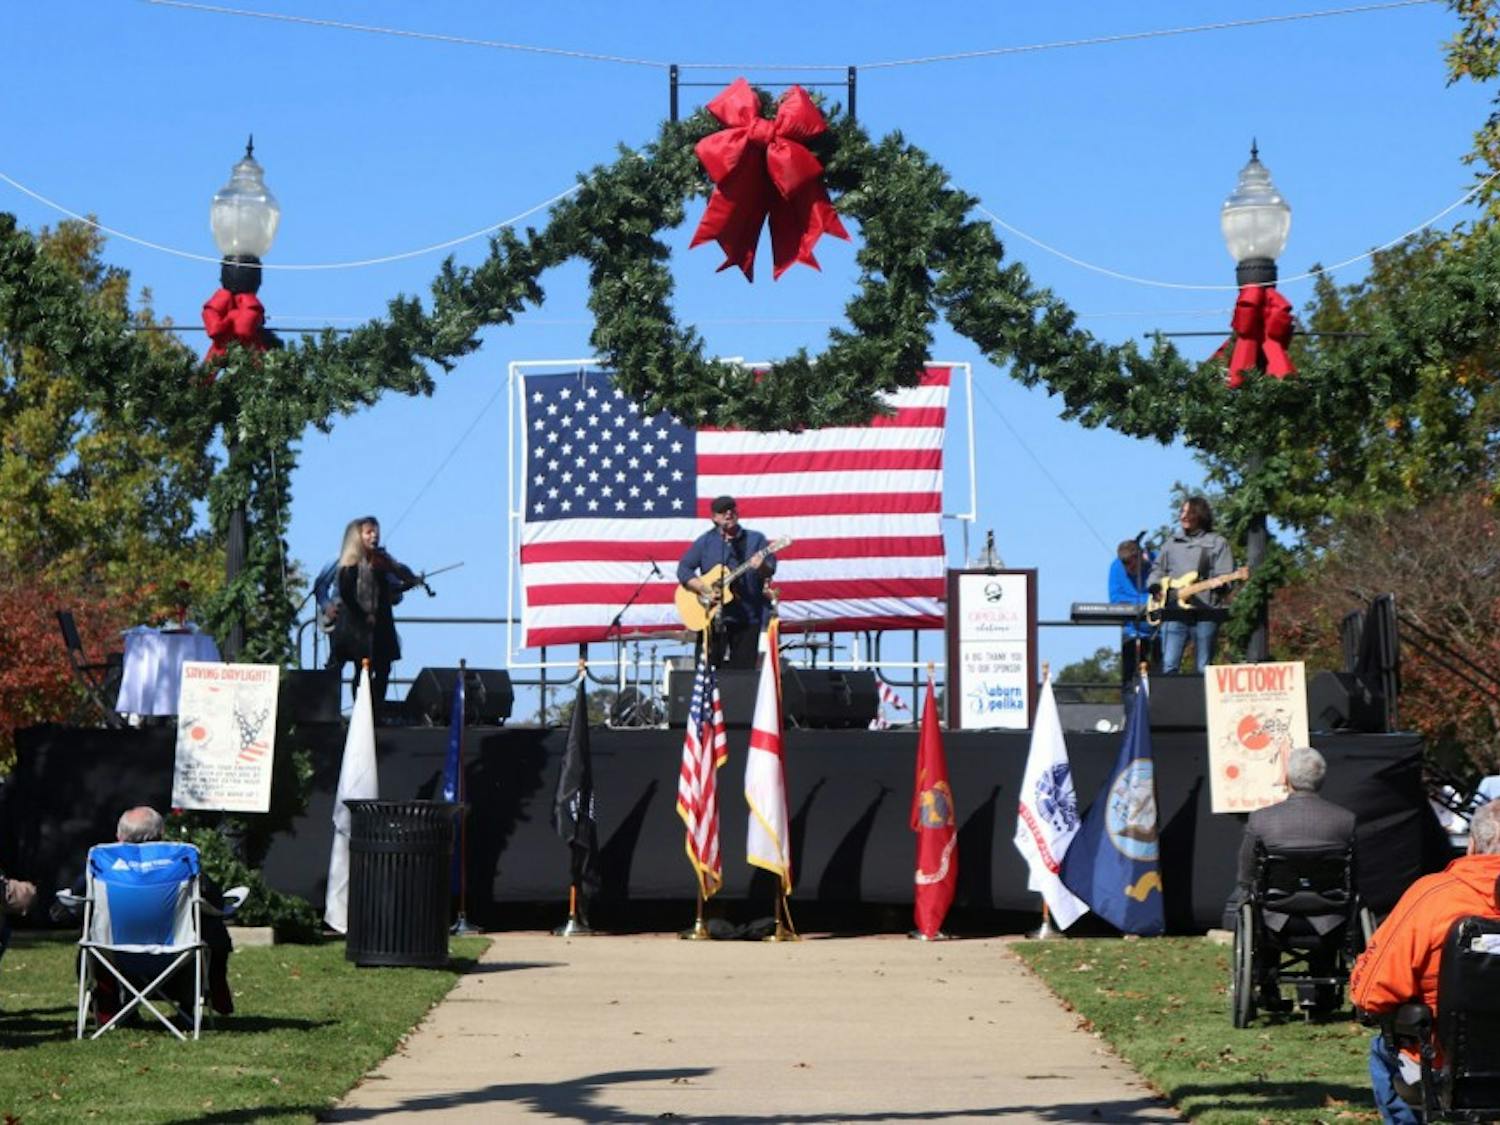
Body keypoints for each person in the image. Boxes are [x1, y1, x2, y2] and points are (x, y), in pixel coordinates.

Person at [1351, 799, 1500, 1124]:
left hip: (1442, 1060)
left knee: (1384, 1051)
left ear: (1472, 845)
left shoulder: (1432, 897)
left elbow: (1371, 993)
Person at [1226, 746, 1357, 1006]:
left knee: (1255, 900)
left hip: (1275, 919)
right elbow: (1356, 875)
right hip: (1331, 917)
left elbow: (1246, 872)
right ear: (1322, 779)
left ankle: (1268, 989)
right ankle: (1323, 993)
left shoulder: (1261, 820)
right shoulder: (1345, 821)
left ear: (1287, 778)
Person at [80, 806, 235, 1019]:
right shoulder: (179, 862)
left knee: (90, 938)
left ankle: (110, 1010)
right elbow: (215, 900)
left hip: (112, 955)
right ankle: (196, 1005)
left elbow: (75, 899)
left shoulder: (103, 865)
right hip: (175, 956)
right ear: (161, 835)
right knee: (212, 929)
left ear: (119, 836)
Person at [327, 516, 421, 708]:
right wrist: (364, 615)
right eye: (369, 532)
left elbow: (398, 572)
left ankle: (377, 708)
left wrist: (411, 579)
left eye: (376, 531)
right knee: (362, 669)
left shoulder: (381, 559)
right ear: (358, 536)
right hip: (357, 623)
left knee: (384, 666)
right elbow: (346, 593)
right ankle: (362, 710)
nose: (374, 536)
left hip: (381, 620)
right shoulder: (350, 563)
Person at [677, 495, 777, 669]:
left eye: (731, 509)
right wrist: (703, 588)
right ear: (714, 518)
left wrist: (761, 567)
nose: (728, 513)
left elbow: (770, 569)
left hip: (747, 617)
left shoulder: (755, 540)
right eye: (722, 511)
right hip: (712, 618)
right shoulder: (706, 541)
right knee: (707, 673)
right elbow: (683, 569)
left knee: (743, 676)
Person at [1147, 496, 1235, 673]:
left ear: (1200, 515)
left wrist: (1222, 586)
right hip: (1174, 612)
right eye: (1182, 512)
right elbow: (1157, 570)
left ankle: (1203, 700)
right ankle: (1171, 699)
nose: (1183, 516)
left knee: (1204, 667)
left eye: (1189, 512)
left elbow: (1226, 576)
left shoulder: (1217, 543)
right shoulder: (1171, 543)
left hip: (1205, 612)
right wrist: (1155, 586)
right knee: (1169, 664)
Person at [1108, 538, 1157, 691]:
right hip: (1132, 630)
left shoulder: (1156, 560)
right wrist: (1144, 603)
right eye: (1124, 563)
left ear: (1141, 556)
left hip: (1158, 629)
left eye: (1131, 562)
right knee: (1130, 678)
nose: (1128, 567)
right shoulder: (1116, 567)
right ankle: (1131, 712)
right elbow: (1116, 599)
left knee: (1161, 674)